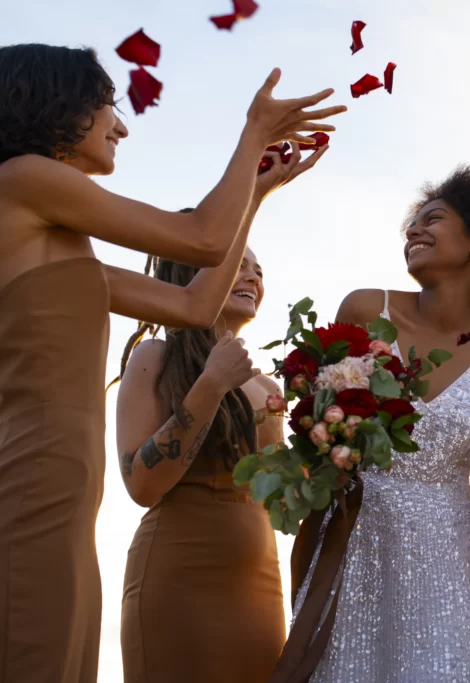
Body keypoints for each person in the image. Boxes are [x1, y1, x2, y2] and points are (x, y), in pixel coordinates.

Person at [0, 43, 342, 682]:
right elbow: (202, 241)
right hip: (33, 472)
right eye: (107, 106)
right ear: (55, 104)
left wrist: (255, 197)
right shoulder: (25, 177)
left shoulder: (58, 239)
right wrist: (254, 134)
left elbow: (194, 300)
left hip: (70, 490)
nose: (121, 125)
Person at [283, 166, 470, 683]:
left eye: (433, 220)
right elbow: (316, 436)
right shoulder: (365, 308)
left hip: (449, 558)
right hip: (351, 541)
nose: (414, 231)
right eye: (410, 226)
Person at [113, 144, 324, 681]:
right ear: (197, 271)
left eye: (258, 268)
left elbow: (284, 500)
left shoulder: (267, 385)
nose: (253, 277)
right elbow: (141, 485)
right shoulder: (154, 357)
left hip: (256, 581)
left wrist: (333, 438)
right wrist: (210, 385)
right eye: (238, 265)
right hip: (177, 575)